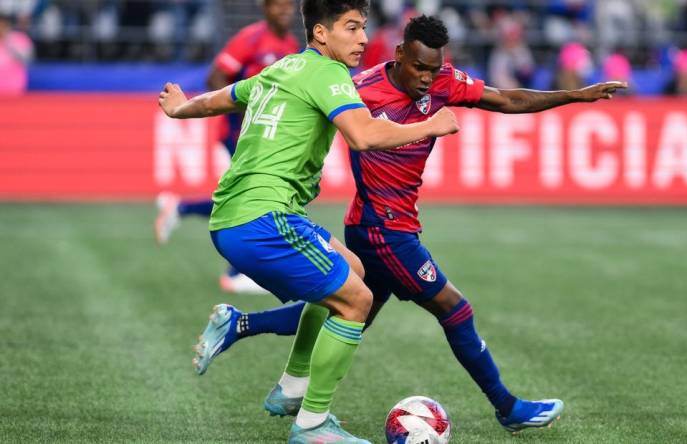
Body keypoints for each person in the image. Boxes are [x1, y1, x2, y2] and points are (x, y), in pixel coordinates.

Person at [195, 15, 626, 434]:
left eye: (433, 68)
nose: (425, 77)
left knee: (347, 312)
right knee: (455, 310)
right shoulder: (358, 88)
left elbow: (507, 100)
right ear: (400, 54)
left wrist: (573, 95)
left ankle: (241, 329)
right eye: (418, 66)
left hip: (382, 226)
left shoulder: (445, 81)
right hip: (383, 231)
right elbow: (307, 110)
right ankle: (508, 407)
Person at [158, 1, 459, 442]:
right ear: (321, 33)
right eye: (352, 28)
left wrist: (182, 108)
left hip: (241, 216)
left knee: (353, 272)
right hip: (263, 218)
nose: (362, 39)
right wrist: (430, 125)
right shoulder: (328, 74)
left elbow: (224, 97)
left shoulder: (282, 69)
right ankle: (312, 425)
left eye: (364, 28)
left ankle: (292, 388)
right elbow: (364, 135)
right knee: (356, 302)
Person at [155, 0, 299, 294]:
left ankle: (180, 208)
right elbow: (216, 76)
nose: (285, 11)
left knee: (248, 196)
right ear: (266, 8)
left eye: (289, 6)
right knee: (253, 196)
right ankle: (236, 273)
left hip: (268, 134)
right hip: (239, 131)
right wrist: (242, 112)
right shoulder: (250, 38)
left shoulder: (291, 44)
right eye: (279, 5)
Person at [0, 11, 33, 96]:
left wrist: (7, 40)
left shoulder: (20, 38)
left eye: (3, 25)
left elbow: (26, 60)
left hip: (14, 86)